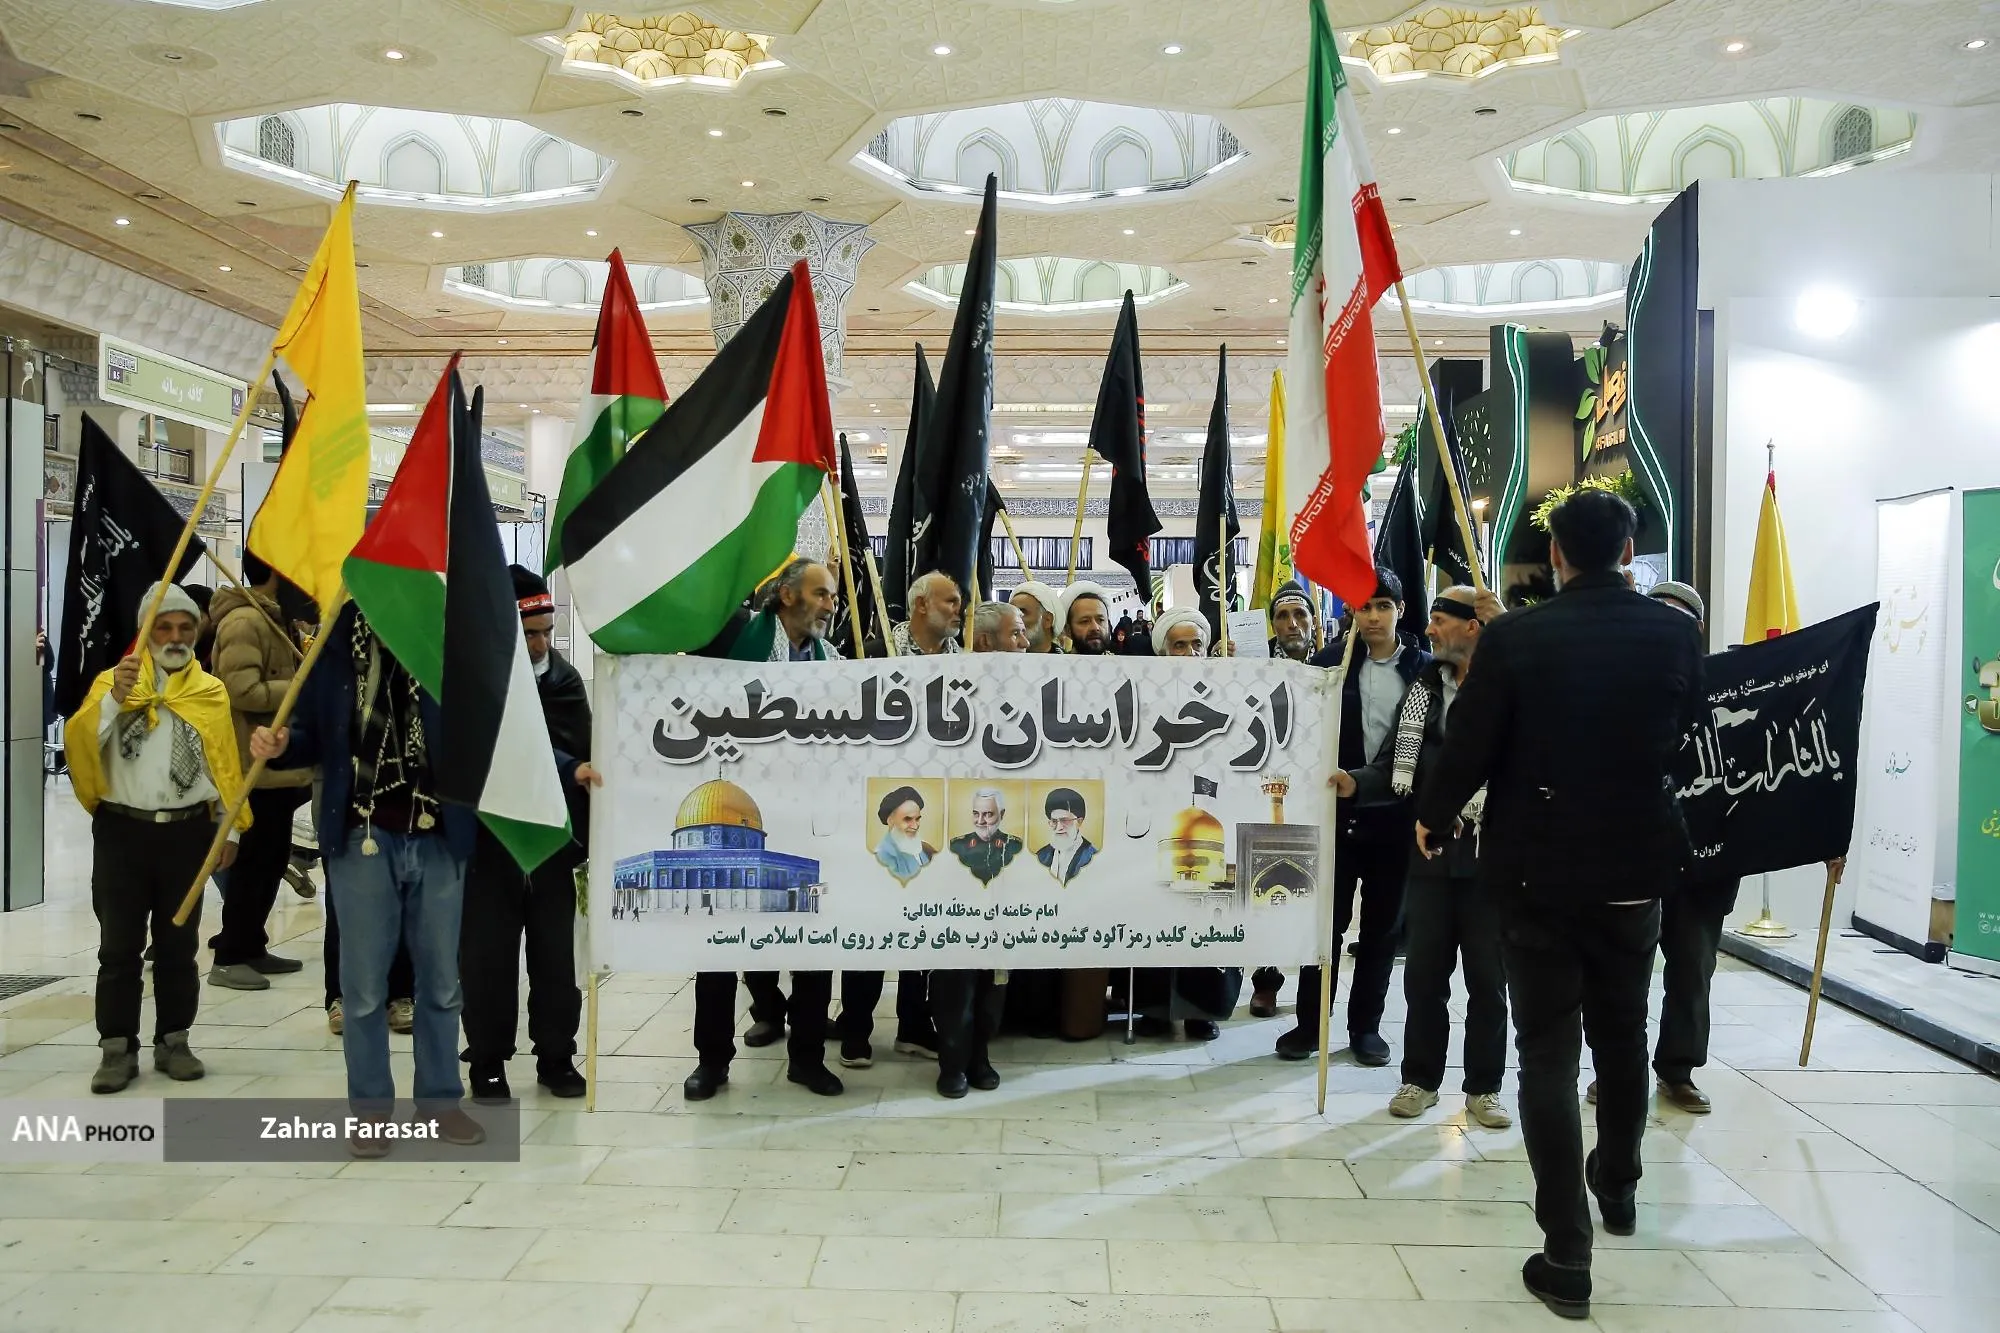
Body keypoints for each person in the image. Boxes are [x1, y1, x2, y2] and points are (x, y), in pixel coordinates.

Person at [1415, 490, 1703, 1318]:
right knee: (1623, 1033)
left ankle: (1567, 1251)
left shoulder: (1517, 637)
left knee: (1546, 1053)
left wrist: (1434, 815)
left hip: (1536, 872)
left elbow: (1471, 744)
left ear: (1556, 556)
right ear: (1629, 551)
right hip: (1634, 869)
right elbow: (1691, 735)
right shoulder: (1673, 633)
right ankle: (1619, 1184)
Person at [251, 604, 486, 1153]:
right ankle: (372, 1110)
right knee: (361, 988)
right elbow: (311, 733)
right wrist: (283, 746)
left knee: (441, 983)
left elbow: (492, 731)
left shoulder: (447, 643)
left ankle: (441, 1103)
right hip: (362, 832)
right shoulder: (334, 649)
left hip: (437, 831)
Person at [1341, 585, 1510, 1128]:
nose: (1430, 630)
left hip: (1491, 856)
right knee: (1424, 978)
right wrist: (1354, 783)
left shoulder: (1511, 686)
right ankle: (1420, 1080)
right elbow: (1395, 760)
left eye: (1440, 620)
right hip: (1428, 851)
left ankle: (1484, 1088)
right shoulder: (1425, 687)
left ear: (1472, 626)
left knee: (1488, 982)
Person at [66, 583, 246, 1094]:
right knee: (119, 946)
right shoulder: (113, 683)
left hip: (187, 834)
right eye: (163, 627)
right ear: (145, 632)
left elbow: (225, 765)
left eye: (185, 627)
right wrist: (113, 703)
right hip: (123, 832)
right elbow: (81, 744)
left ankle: (174, 1039)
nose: (175, 636)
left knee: (178, 945)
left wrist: (229, 829)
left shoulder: (209, 691)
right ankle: (116, 1047)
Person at [686, 559, 846, 1098]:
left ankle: (807, 1057)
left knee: (812, 945)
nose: (830, 605)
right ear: (787, 595)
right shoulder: (734, 639)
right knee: (720, 944)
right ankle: (712, 1060)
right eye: (821, 594)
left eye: (833, 596)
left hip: (806, 824)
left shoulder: (833, 662)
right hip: (738, 819)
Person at [1274, 571, 1428, 1065]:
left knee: (1381, 930)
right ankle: (1310, 1024)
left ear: (1400, 610)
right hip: (1335, 818)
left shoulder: (1425, 671)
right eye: (1364, 607)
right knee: (1325, 926)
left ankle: (1365, 1027)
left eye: (1382, 606)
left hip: (1397, 819)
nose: (1373, 617)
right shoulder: (1328, 665)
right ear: (1351, 613)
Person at [459, 567, 600, 1102]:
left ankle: (557, 1057)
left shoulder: (563, 681)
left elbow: (575, 750)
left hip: (553, 846)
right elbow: (492, 749)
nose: (541, 644)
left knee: (556, 960)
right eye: (529, 633)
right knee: (487, 960)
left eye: (546, 631)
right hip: (489, 843)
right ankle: (488, 1060)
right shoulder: (476, 684)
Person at [204, 553, 312, 991]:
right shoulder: (245, 621)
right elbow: (239, 690)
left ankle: (252, 945)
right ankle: (230, 955)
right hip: (254, 764)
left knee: (270, 860)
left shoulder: (274, 619)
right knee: (252, 864)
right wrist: (301, 686)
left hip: (278, 765)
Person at [1132, 607, 1239, 1041]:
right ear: (1163, 652)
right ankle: (1155, 1009)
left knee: (1205, 910)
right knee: (1155, 908)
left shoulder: (1228, 690)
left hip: (1211, 818)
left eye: (1197, 644)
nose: (1190, 653)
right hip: (1159, 818)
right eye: (1179, 645)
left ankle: (1202, 1009)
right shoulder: (1143, 694)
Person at [931, 622, 1027, 1098]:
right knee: (955, 964)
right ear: (985, 641)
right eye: (1015, 633)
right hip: (955, 848)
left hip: (1008, 852)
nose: (1024, 643)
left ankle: (980, 1054)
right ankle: (952, 1061)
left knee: (996, 967)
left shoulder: (1035, 690)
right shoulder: (952, 686)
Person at [950, 786, 1022, 885]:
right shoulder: (956, 846)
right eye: (976, 814)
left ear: (1001, 814)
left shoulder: (1016, 847)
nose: (980, 821)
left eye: (988, 814)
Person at [893, 571, 963, 656]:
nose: (961, 611)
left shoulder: (967, 660)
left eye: (961, 603)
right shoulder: (880, 655)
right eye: (951, 601)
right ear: (922, 605)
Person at [1036, 786, 1096, 883]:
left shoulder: (1092, 857)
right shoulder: (1042, 856)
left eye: (1065, 820)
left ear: (1079, 821)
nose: (1059, 827)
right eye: (1054, 821)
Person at [875, 785, 935, 880]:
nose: (915, 826)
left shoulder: (927, 849)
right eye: (907, 819)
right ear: (890, 821)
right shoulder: (881, 857)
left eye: (917, 819)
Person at [1059, 582, 1113, 656]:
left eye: (1100, 620)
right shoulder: (1057, 663)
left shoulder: (1122, 663)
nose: (1095, 627)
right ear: (1068, 630)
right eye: (1085, 621)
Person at [1011, 581, 1062, 654]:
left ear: (1048, 620)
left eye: (1021, 614)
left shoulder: (1069, 660)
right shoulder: (1000, 659)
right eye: (1011, 613)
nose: (1012, 620)